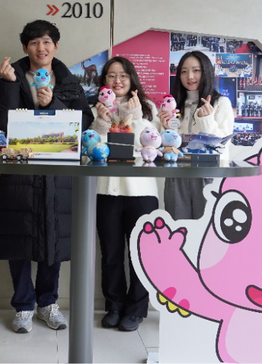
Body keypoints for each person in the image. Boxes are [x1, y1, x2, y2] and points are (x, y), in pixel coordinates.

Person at [0, 19, 93, 334]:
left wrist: (55, 104)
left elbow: (84, 122)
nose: (41, 48)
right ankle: (23, 306)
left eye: (47, 41)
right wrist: (7, 84)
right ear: (25, 48)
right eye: (34, 42)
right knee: (20, 237)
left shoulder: (69, 81)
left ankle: (47, 303)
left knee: (53, 238)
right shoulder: (11, 76)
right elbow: (1, 122)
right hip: (19, 168)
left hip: (57, 170)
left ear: (56, 47)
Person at [89, 57, 161, 331]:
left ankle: (137, 309)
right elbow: (93, 147)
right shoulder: (95, 108)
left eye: (123, 76)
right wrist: (101, 122)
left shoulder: (149, 108)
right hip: (106, 190)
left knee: (139, 253)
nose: (117, 81)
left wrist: (137, 117)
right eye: (110, 76)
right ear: (103, 81)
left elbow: (152, 144)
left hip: (141, 191)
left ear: (132, 80)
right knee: (110, 253)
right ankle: (114, 305)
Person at [158, 50, 235, 220]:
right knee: (178, 229)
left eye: (196, 70)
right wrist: (164, 129)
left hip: (208, 176)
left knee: (206, 231)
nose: (190, 76)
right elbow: (163, 147)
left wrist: (206, 120)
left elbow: (222, 145)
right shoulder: (173, 105)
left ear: (206, 71)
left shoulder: (220, 103)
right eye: (184, 72)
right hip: (177, 176)